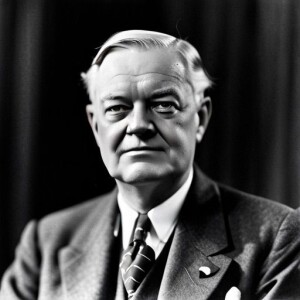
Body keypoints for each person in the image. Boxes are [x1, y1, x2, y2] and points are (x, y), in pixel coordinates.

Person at [1, 30, 299, 300]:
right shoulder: (46, 244)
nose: (139, 125)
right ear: (95, 125)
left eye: (163, 105)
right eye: (117, 108)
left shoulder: (275, 238)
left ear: (201, 118)